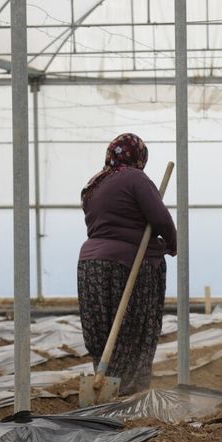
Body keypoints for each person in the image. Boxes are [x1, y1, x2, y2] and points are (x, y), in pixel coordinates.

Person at [77, 132, 177, 395]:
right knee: (134, 331)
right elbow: (161, 219)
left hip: (91, 265)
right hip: (130, 265)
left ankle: (104, 385)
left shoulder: (94, 183)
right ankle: (128, 393)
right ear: (139, 156)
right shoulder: (135, 178)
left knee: (102, 329)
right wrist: (172, 244)